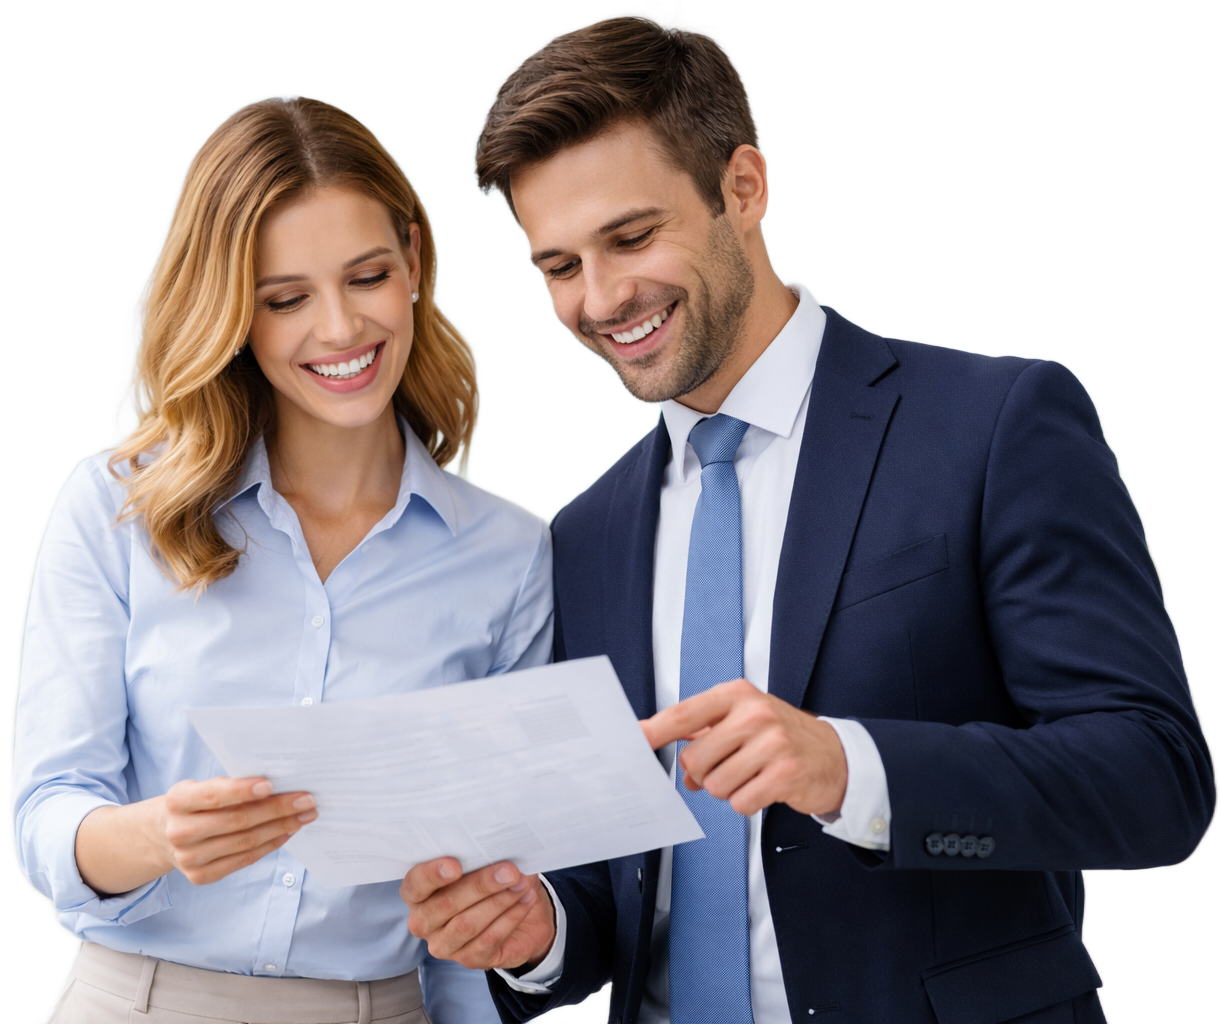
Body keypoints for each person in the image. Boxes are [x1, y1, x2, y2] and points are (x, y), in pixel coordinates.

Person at [397, 11, 1216, 1024]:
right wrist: (539, 934)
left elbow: (1152, 780)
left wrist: (849, 768)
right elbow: (617, 884)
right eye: (557, 266)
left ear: (743, 188)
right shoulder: (580, 536)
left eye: (630, 236)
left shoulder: (993, 426)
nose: (601, 298)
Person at [11, 95, 551, 1024]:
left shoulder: (510, 554)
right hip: (132, 999)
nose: (340, 330)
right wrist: (159, 836)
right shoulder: (113, 508)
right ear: (232, 313)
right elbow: (48, 811)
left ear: (413, 262)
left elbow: (480, 892)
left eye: (368, 276)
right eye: (285, 299)